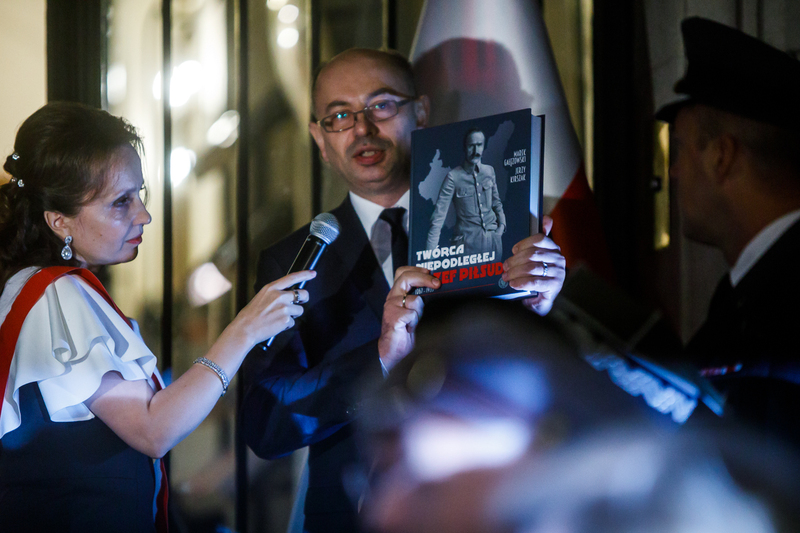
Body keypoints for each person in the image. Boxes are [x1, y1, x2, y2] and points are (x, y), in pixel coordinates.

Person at [240, 47, 566, 533]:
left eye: (381, 105)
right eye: (339, 116)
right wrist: (380, 357)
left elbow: (548, 392)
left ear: (423, 113)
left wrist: (537, 313)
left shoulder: (500, 230)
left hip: (483, 510)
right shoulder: (292, 261)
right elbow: (268, 425)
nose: (362, 129)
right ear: (319, 138)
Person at [0, 102, 314, 532]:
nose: (143, 215)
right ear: (59, 220)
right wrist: (244, 329)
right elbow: (154, 429)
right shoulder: (58, 293)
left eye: (140, 195)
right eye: (120, 203)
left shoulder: (35, 288)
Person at [655, 18, 800, 446]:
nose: (674, 173)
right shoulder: (743, 293)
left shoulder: (781, 297)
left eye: (679, 150)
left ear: (721, 156)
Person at [426, 128, 506, 256]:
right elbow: (438, 218)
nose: (475, 151)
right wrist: (428, 259)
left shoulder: (489, 171)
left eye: (479, 145)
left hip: (493, 244)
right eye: (471, 146)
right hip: (466, 250)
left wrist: (501, 226)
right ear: (465, 148)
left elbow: (496, 202)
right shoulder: (453, 177)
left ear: (483, 146)